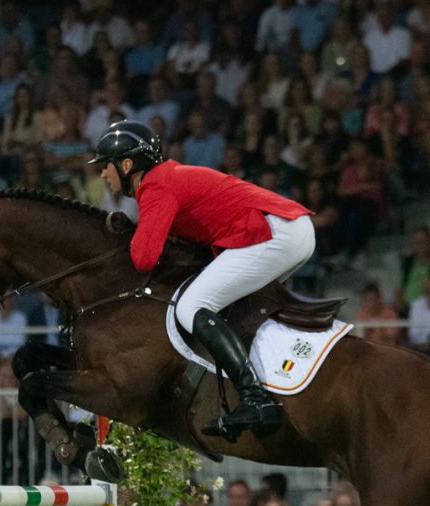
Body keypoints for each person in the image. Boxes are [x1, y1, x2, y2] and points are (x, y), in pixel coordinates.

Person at [89, 120, 315, 441]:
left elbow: (143, 259)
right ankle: (271, 382)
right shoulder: (167, 178)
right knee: (231, 309)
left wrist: (125, 231)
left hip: (276, 232)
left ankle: (256, 398)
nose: (102, 174)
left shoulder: (155, 185)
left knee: (191, 306)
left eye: (105, 166)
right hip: (289, 229)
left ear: (127, 165)